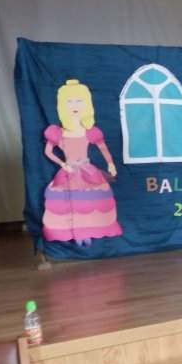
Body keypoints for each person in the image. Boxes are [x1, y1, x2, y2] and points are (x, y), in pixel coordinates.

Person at [42, 79, 122, 246]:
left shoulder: (90, 132)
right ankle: (76, 233)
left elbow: (103, 148)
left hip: (88, 171)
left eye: (79, 101)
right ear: (62, 105)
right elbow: (48, 152)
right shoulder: (58, 133)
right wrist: (62, 164)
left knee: (91, 202)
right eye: (69, 101)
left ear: (86, 104)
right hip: (69, 171)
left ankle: (89, 231)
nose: (74, 105)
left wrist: (111, 164)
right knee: (70, 202)